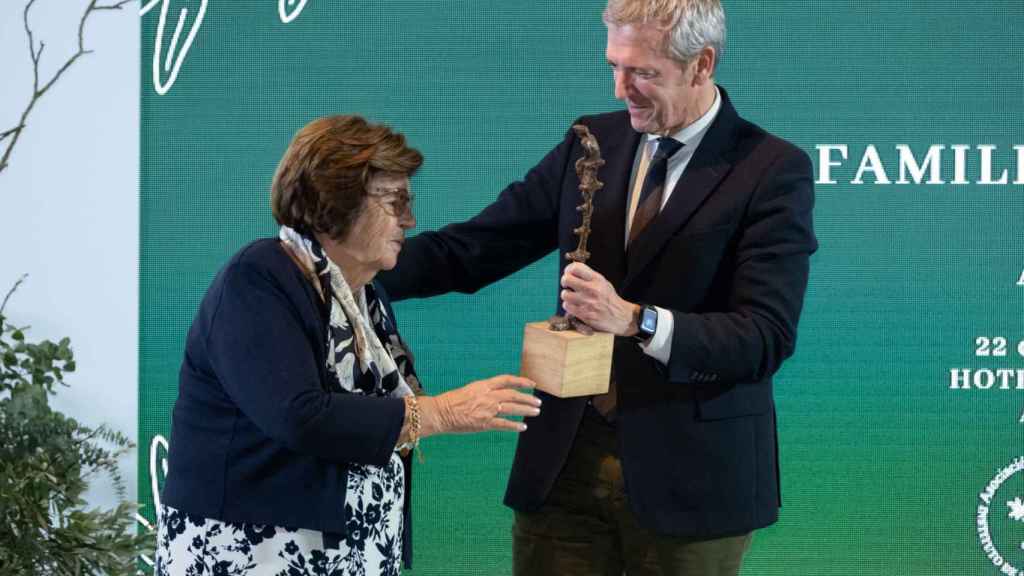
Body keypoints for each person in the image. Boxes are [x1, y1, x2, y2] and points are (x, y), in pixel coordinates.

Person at [377, 0, 817, 574]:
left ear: (702, 63)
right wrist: (347, 267)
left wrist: (637, 319)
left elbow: (763, 336)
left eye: (643, 73)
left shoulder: (771, 169)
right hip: (564, 468)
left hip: (693, 482)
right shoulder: (591, 143)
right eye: (615, 65)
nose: (620, 89)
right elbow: (474, 248)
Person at [155, 115, 542, 576]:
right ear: (335, 202)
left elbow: (458, 253)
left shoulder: (362, 293)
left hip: (344, 554)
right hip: (253, 553)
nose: (410, 220)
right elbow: (299, 415)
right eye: (394, 203)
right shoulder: (258, 278)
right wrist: (438, 413)